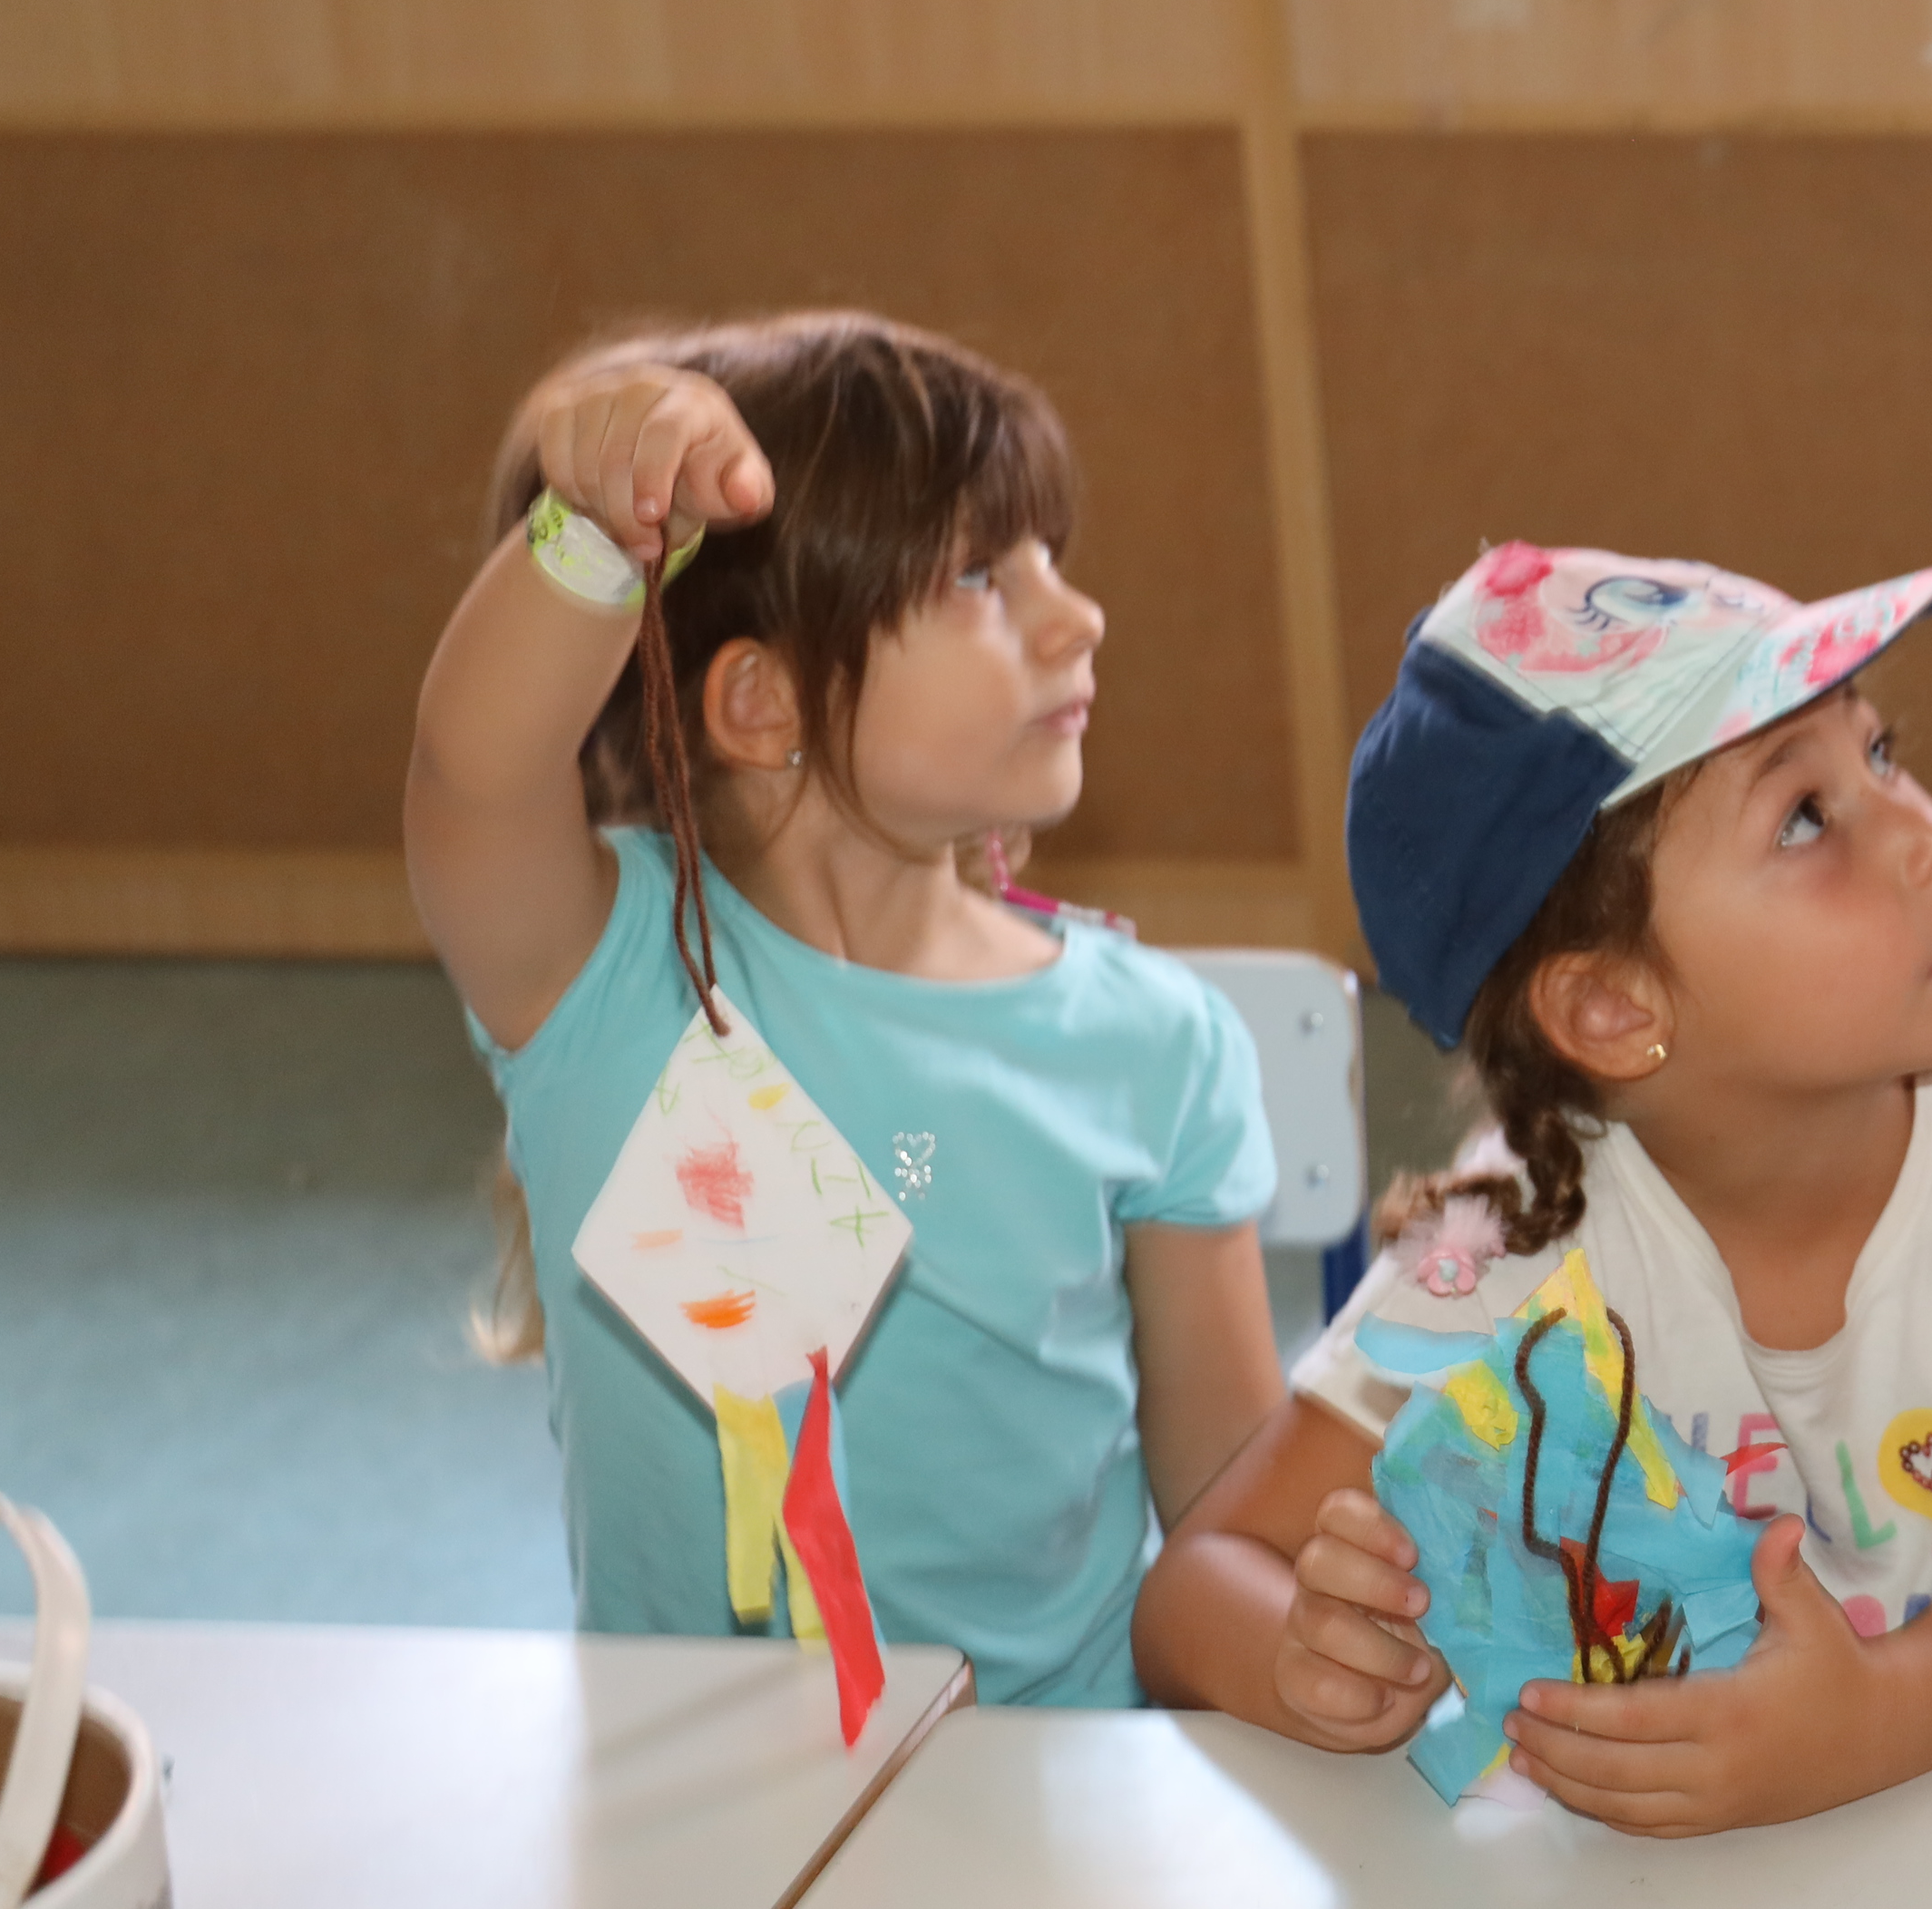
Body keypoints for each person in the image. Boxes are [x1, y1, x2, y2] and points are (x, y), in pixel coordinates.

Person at [1136, 543, 1932, 1832]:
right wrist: (1308, 1654)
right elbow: (1197, 1585)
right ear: (1610, 1005)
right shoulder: (1519, 1238)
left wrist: (1875, 1715)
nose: (1930, 836)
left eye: (1879, 755)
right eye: (1807, 818)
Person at [406, 310, 1286, 1705]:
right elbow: (476, 771)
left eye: (1052, 559)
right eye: (984, 576)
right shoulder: (609, 973)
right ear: (761, 704)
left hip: (1051, 1782)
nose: (1078, 616)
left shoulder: (1157, 1045)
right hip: (700, 1805)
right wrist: (591, 531)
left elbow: (1238, 1512)